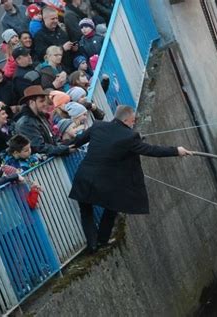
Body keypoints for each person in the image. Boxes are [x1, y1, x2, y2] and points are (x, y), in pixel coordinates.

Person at [69, 105, 192, 253]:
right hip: (105, 183)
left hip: (84, 177)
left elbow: (78, 141)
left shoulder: (98, 126)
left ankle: (92, 245)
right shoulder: (130, 137)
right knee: (112, 207)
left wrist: (60, 148)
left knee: (86, 210)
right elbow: (151, 150)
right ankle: (102, 239)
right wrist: (176, 151)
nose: (133, 124)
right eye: (133, 121)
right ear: (126, 120)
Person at [14, 85, 73, 156]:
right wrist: (64, 149)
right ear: (31, 103)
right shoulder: (25, 123)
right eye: (41, 101)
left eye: (45, 100)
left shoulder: (41, 116)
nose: (45, 104)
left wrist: (65, 145)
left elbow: (53, 139)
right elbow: (39, 147)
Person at [33, 6, 77, 71]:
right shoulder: (39, 36)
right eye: (52, 19)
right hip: (58, 71)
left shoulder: (61, 31)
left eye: (56, 18)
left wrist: (73, 48)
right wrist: (62, 49)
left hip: (71, 66)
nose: (56, 21)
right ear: (45, 19)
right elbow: (43, 54)